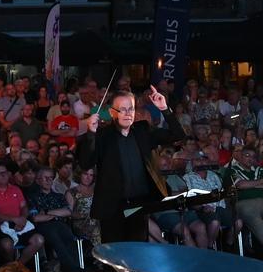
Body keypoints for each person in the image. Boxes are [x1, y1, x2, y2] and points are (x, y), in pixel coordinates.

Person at [75, 86, 185, 242]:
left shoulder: (143, 130)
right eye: (122, 109)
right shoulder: (102, 135)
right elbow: (86, 163)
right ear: (112, 112)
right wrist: (91, 134)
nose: (128, 114)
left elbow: (178, 135)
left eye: (131, 109)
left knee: (138, 255)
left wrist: (164, 108)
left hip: (140, 205)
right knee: (115, 258)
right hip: (112, 207)